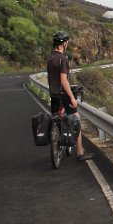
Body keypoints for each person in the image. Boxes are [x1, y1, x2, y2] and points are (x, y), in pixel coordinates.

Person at [46, 31, 95, 162]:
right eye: (67, 42)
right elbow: (63, 80)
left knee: (57, 117)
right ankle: (80, 152)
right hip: (63, 94)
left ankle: (59, 143)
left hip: (53, 93)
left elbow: (52, 78)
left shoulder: (50, 57)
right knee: (75, 118)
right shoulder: (63, 59)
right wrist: (72, 98)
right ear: (64, 43)